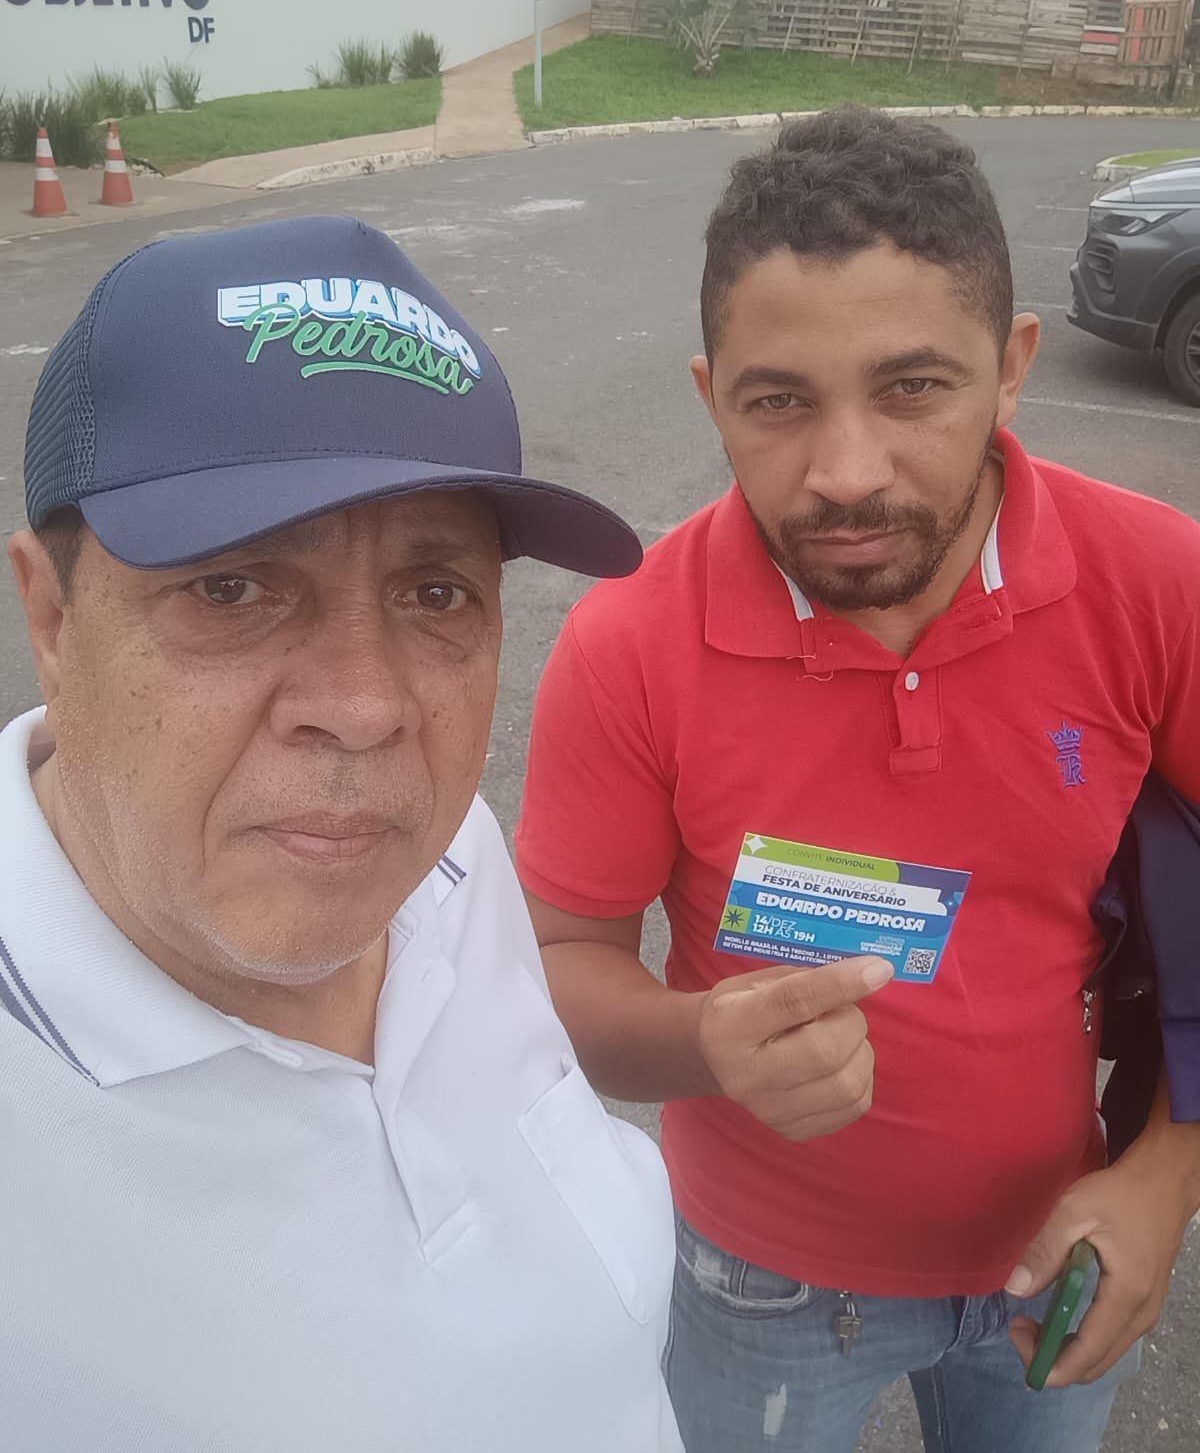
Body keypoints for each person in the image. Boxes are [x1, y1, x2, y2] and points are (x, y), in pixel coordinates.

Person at [515, 109, 1200, 1453]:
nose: (844, 475)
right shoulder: (631, 645)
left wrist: (1167, 1176)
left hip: (1066, 1246)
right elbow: (560, 963)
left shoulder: (1154, 587)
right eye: (778, 402)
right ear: (711, 394)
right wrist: (700, 1043)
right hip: (757, 1283)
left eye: (913, 387)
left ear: (1012, 370)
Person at [0, 215, 684, 1453]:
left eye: (436, 593)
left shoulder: (449, 863)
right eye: (231, 587)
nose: (367, 709)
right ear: (52, 616)